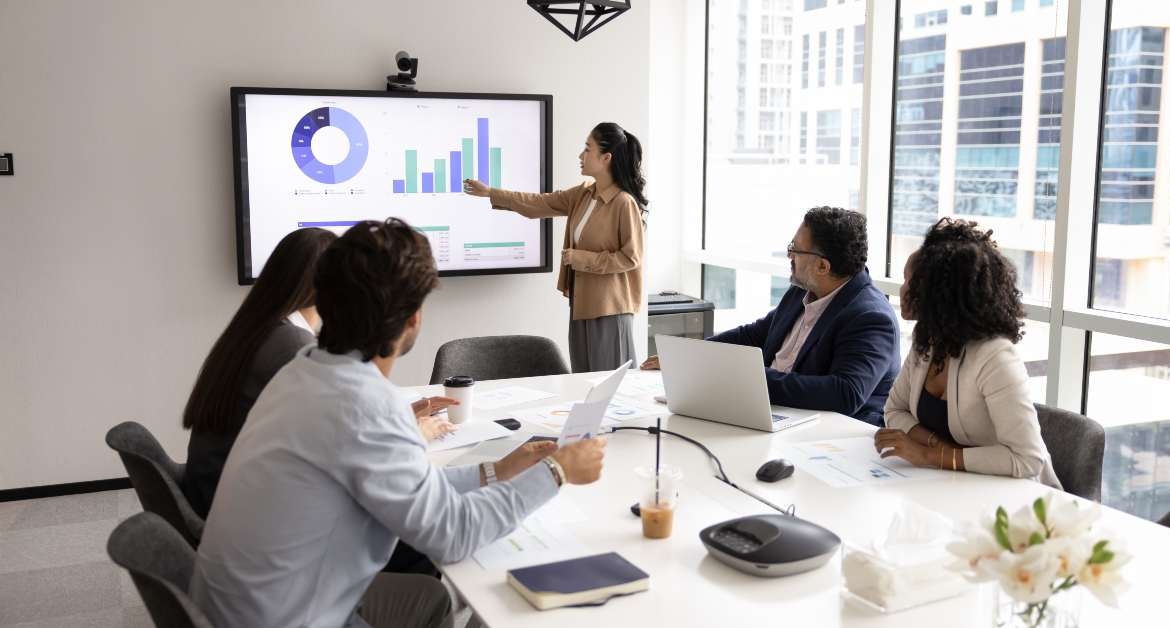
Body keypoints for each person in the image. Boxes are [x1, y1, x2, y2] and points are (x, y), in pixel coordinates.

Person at [190, 218, 607, 628]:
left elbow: (415, 488)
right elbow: (452, 534)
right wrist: (557, 471)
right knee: (459, 600)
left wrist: (498, 471)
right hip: (286, 616)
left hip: (240, 604)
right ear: (413, 320)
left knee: (428, 597)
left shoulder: (305, 369)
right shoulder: (363, 404)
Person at [180, 228, 456, 520]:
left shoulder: (259, 327)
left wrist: (395, 424)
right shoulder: (294, 348)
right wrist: (414, 435)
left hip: (212, 490)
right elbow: (344, 461)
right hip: (239, 511)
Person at [642, 207, 900, 426]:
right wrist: (687, 355)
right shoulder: (802, 291)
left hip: (825, 431)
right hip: (775, 415)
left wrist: (750, 379)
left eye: (795, 250)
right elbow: (754, 334)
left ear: (823, 266)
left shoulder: (870, 317)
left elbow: (845, 393)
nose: (789, 256)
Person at [874, 218, 1061, 488]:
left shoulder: (995, 356)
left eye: (909, 281)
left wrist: (930, 455)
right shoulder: (927, 339)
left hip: (1016, 500)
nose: (901, 290)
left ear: (940, 294)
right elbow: (895, 409)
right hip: (952, 487)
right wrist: (937, 445)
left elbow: (1027, 460)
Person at [464, 122, 646, 372]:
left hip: (610, 309)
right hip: (581, 305)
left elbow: (630, 258)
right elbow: (539, 203)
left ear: (606, 158)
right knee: (583, 382)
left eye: (587, 149)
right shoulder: (583, 195)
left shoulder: (623, 203)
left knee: (612, 388)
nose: (580, 156)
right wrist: (491, 193)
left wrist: (581, 259)